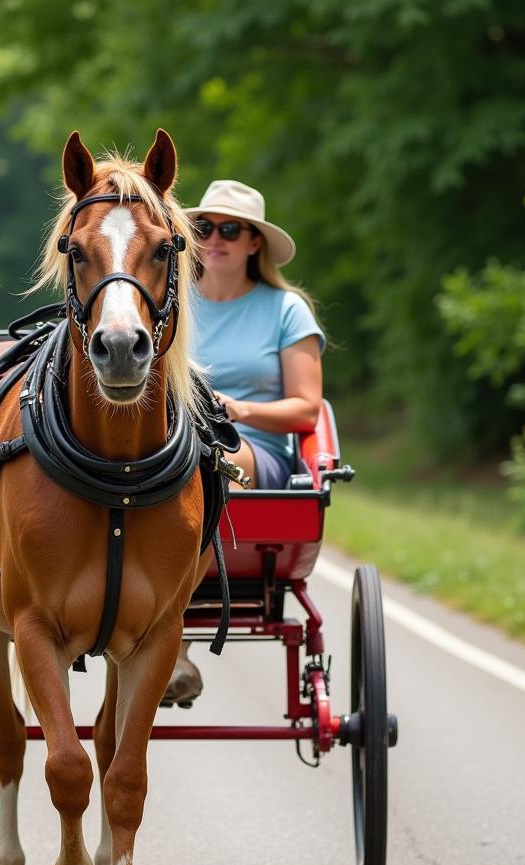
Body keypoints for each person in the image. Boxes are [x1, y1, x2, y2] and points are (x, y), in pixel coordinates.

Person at [163, 179, 325, 707]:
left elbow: (306, 408)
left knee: (208, 461)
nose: (214, 238)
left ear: (255, 242)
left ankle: (173, 644)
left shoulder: (285, 310)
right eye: (204, 227)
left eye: (230, 229)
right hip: (165, 443)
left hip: (250, 448)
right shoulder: (167, 299)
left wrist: (239, 409)